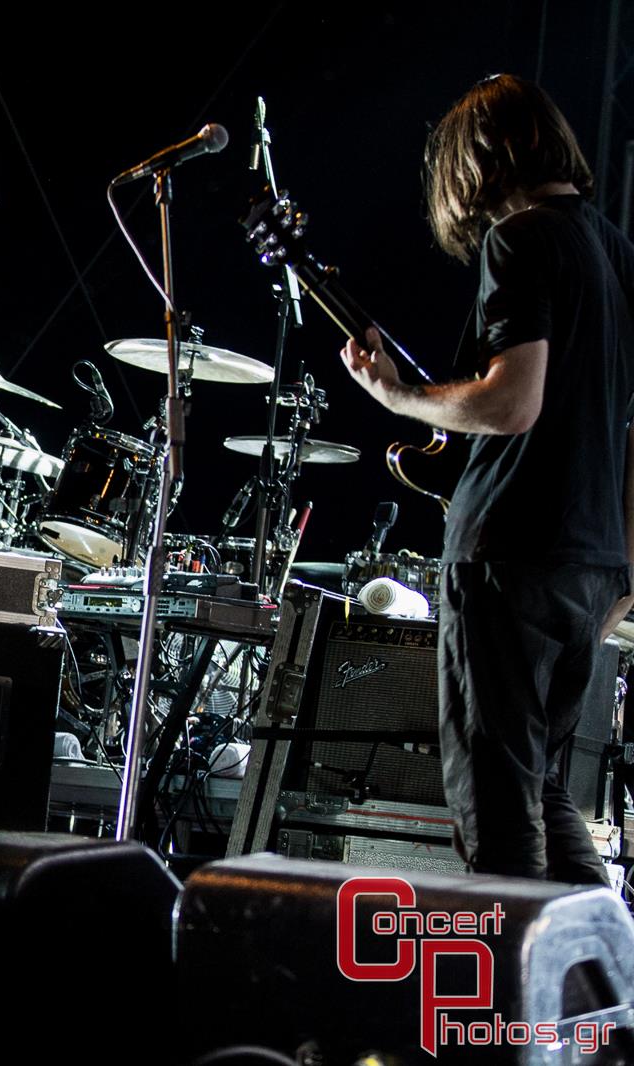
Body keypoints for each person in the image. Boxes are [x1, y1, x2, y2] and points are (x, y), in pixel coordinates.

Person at [340, 74, 634, 884]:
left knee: (497, 813)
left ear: (474, 162)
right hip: (590, 562)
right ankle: (596, 960)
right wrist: (624, 568)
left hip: (509, 556)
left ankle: (511, 969)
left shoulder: (520, 240)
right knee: (543, 792)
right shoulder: (617, 252)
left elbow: (511, 403)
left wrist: (396, 395)